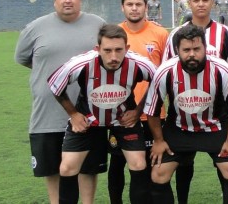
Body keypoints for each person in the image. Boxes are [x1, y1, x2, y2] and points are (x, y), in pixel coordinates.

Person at [14, 0, 106, 204]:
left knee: (87, 167)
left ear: (80, 0)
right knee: (52, 168)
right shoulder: (35, 28)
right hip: (47, 113)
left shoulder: (98, 25)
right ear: (54, 0)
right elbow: (24, 59)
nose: (68, 1)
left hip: (88, 112)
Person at [48, 24, 156, 204]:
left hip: (123, 120)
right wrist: (73, 114)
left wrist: (138, 111)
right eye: (107, 50)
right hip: (88, 120)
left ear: (127, 48)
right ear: (97, 49)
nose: (113, 57)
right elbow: (54, 84)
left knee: (139, 164)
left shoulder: (140, 64)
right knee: (67, 167)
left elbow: (159, 81)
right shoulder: (80, 64)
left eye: (118, 50)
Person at [144, 25, 228, 204]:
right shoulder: (165, 71)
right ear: (177, 50)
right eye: (186, 50)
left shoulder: (222, 70)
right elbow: (152, 111)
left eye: (196, 49)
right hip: (178, 129)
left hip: (215, 127)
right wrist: (159, 141)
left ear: (205, 48)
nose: (192, 54)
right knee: (158, 173)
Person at [162, 0, 228, 203]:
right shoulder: (176, 35)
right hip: (184, 111)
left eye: (205, 0)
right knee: (183, 160)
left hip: (218, 113)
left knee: (227, 162)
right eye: (196, 0)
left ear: (212, 3)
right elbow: (167, 73)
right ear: (189, 3)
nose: (200, 4)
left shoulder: (226, 33)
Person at [108, 0, 170, 203]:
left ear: (146, 6)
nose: (134, 9)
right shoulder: (113, 34)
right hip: (120, 115)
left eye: (138, 4)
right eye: (129, 4)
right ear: (122, 7)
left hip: (153, 113)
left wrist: (140, 109)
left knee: (152, 164)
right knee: (117, 163)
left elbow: (164, 77)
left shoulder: (161, 34)